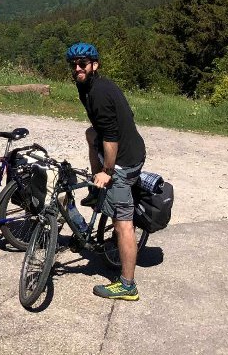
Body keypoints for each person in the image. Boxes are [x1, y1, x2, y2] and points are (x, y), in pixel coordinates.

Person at [67, 41, 146, 301]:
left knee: (123, 223)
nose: (77, 68)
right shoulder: (86, 87)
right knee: (91, 134)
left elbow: (111, 136)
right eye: (74, 64)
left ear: (94, 65)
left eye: (83, 64)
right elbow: (105, 128)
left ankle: (127, 285)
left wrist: (109, 172)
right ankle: (97, 189)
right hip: (128, 150)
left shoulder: (99, 92)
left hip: (124, 162)